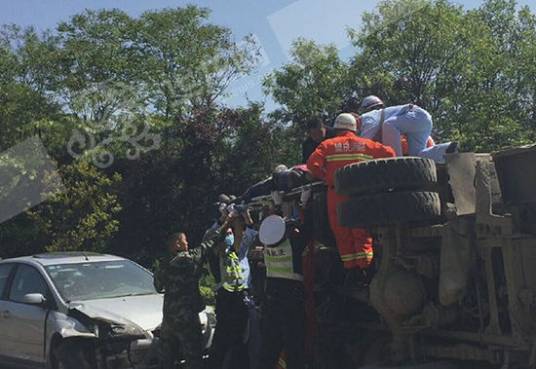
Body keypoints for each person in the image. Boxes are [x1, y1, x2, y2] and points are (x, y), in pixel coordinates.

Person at [307, 113, 395, 269]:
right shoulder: (367, 144)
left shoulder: (328, 145)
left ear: (336, 127)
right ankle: (365, 267)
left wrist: (327, 178)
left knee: (342, 232)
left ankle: (350, 269)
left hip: (337, 193)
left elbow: (312, 165)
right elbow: (390, 154)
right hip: (361, 195)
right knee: (361, 231)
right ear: (354, 128)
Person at [154, 217, 233, 369]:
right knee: (193, 357)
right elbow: (210, 243)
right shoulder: (189, 259)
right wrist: (226, 223)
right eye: (185, 241)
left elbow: (158, 287)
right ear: (177, 243)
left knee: (166, 358)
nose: (187, 244)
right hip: (187, 318)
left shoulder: (163, 264)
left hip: (169, 319)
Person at [210, 206, 259, 369]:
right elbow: (211, 237)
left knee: (239, 339)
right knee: (226, 338)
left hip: (240, 296)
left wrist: (246, 219)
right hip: (229, 297)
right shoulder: (226, 252)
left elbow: (251, 236)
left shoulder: (241, 251)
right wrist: (224, 220)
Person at [258, 215, 307, 369]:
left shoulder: (267, 244)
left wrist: (277, 208)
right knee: (294, 344)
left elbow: (273, 229)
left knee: (270, 344)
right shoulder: (292, 244)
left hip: (272, 297)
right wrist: (306, 206)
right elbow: (307, 232)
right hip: (291, 298)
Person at [360, 95, 457, 162]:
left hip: (416, 114)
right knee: (416, 158)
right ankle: (445, 148)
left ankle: (397, 164)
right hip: (424, 119)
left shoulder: (370, 118)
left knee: (388, 124)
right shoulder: (397, 121)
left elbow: (363, 143)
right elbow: (430, 142)